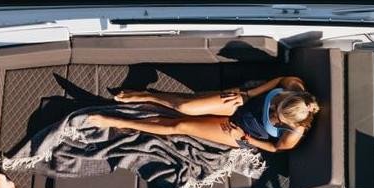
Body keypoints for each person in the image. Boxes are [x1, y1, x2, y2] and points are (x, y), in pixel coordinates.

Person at [92, 75, 319, 152]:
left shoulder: (294, 133)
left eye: (277, 119)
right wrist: (248, 95)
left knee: (179, 127)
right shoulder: (294, 87)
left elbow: (275, 148)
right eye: (275, 106)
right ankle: (148, 96)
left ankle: (115, 121)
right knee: (184, 108)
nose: (272, 113)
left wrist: (247, 139)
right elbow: (280, 79)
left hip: (240, 131)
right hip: (240, 105)